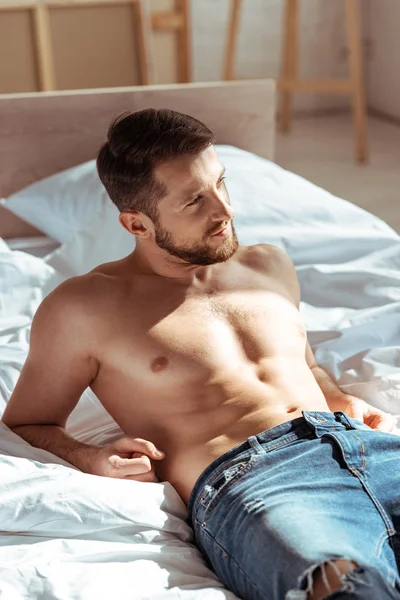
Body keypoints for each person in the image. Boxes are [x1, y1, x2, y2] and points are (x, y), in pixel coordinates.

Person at [2, 108, 400, 600]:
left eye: (221, 184)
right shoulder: (82, 308)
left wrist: (340, 398)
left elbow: (306, 363)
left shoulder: (268, 263)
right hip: (258, 481)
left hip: (369, 449)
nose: (224, 210)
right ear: (137, 223)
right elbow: (25, 422)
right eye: (195, 200)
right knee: (347, 590)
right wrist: (90, 456)